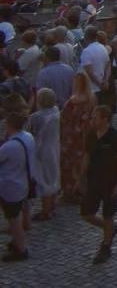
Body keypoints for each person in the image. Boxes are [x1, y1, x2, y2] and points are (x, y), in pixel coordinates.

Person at [80, 104, 117, 264]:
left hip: (109, 182)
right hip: (93, 180)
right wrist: (81, 177)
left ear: (105, 119)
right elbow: (86, 156)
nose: (92, 120)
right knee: (86, 213)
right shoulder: (91, 135)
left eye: (95, 118)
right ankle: (111, 228)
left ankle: (106, 245)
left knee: (108, 214)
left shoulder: (115, 137)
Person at [0, 111, 33, 261]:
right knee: (17, 214)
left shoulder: (9, 146)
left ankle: (21, 249)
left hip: (10, 187)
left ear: (9, 125)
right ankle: (17, 242)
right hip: (23, 182)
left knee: (13, 218)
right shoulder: (28, 137)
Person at [59, 71, 95, 204]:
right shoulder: (91, 98)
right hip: (84, 135)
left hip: (71, 137)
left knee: (68, 165)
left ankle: (69, 192)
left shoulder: (72, 101)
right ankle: (82, 191)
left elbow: (64, 118)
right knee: (82, 164)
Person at [27, 88, 60, 221]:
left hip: (42, 150)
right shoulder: (56, 111)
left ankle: (46, 211)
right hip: (54, 147)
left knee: (44, 180)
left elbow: (30, 131)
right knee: (53, 176)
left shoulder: (37, 117)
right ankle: (52, 206)